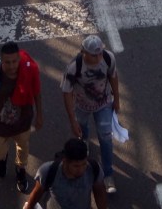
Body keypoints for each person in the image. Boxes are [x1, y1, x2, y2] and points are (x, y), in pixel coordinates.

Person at [0, 41, 43, 192]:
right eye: (7, 62)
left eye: (15, 61)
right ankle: (2, 159)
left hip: (23, 121)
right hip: (0, 123)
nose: (12, 65)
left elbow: (37, 94)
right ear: (1, 60)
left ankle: (20, 171)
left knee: (23, 150)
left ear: (19, 59)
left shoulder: (29, 72)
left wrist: (40, 115)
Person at [61, 36, 120, 194]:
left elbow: (113, 77)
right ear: (83, 52)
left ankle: (108, 175)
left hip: (104, 104)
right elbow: (66, 92)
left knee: (106, 138)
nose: (99, 57)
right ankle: (85, 142)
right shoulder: (74, 67)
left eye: (100, 53)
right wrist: (72, 120)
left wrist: (117, 100)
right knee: (82, 129)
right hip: (82, 106)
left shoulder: (108, 58)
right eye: (94, 55)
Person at [23, 137, 107, 209]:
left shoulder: (93, 168)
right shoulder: (48, 171)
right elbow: (36, 194)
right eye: (76, 166)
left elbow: (99, 193)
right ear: (65, 161)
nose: (81, 169)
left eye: (84, 164)